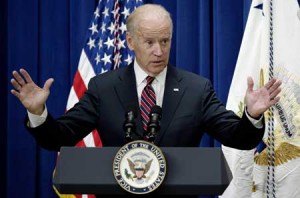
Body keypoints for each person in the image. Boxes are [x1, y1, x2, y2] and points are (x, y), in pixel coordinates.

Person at [10, 4, 281, 198]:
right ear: (130, 41)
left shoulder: (196, 89)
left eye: (165, 41)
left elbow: (238, 137)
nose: (159, 51)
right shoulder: (103, 88)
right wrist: (38, 113)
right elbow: (59, 137)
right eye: (149, 42)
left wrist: (252, 116)